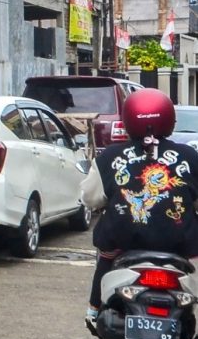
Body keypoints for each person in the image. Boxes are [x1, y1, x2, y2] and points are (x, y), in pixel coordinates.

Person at [81, 88, 198, 326]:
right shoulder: (189, 156)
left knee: (106, 256)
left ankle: (94, 309)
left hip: (122, 241)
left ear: (128, 120)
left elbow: (90, 198)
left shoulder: (108, 157)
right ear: (169, 119)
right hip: (180, 245)